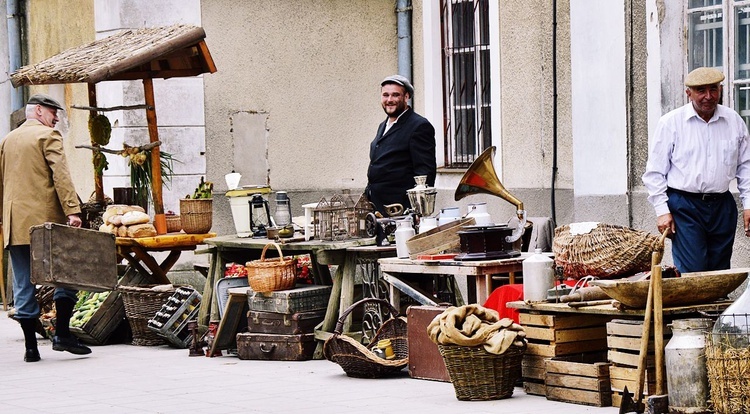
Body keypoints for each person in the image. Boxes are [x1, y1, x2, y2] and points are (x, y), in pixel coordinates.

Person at [0, 94, 92, 362]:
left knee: (23, 283)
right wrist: (73, 210)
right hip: (45, 223)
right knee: (66, 273)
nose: (56, 118)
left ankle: (31, 348)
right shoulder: (48, 136)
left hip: (15, 222)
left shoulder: (7, 139)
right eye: (53, 112)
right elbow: (60, 175)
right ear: (39, 111)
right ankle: (62, 334)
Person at [643, 67, 750, 273]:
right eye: (701, 90)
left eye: (713, 90)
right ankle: (694, 307)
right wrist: (662, 211)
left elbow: (745, 167)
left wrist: (748, 205)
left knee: (719, 273)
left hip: (722, 206)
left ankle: (717, 307)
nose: (708, 96)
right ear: (688, 93)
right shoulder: (671, 123)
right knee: (694, 271)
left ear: (720, 90)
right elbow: (655, 173)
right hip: (685, 206)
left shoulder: (733, 121)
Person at [366, 74, 437, 216]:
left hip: (400, 211)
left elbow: (425, 172)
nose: (389, 100)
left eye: (395, 95)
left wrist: (416, 211)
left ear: (406, 97)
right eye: (385, 95)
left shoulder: (419, 125)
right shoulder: (383, 125)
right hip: (378, 207)